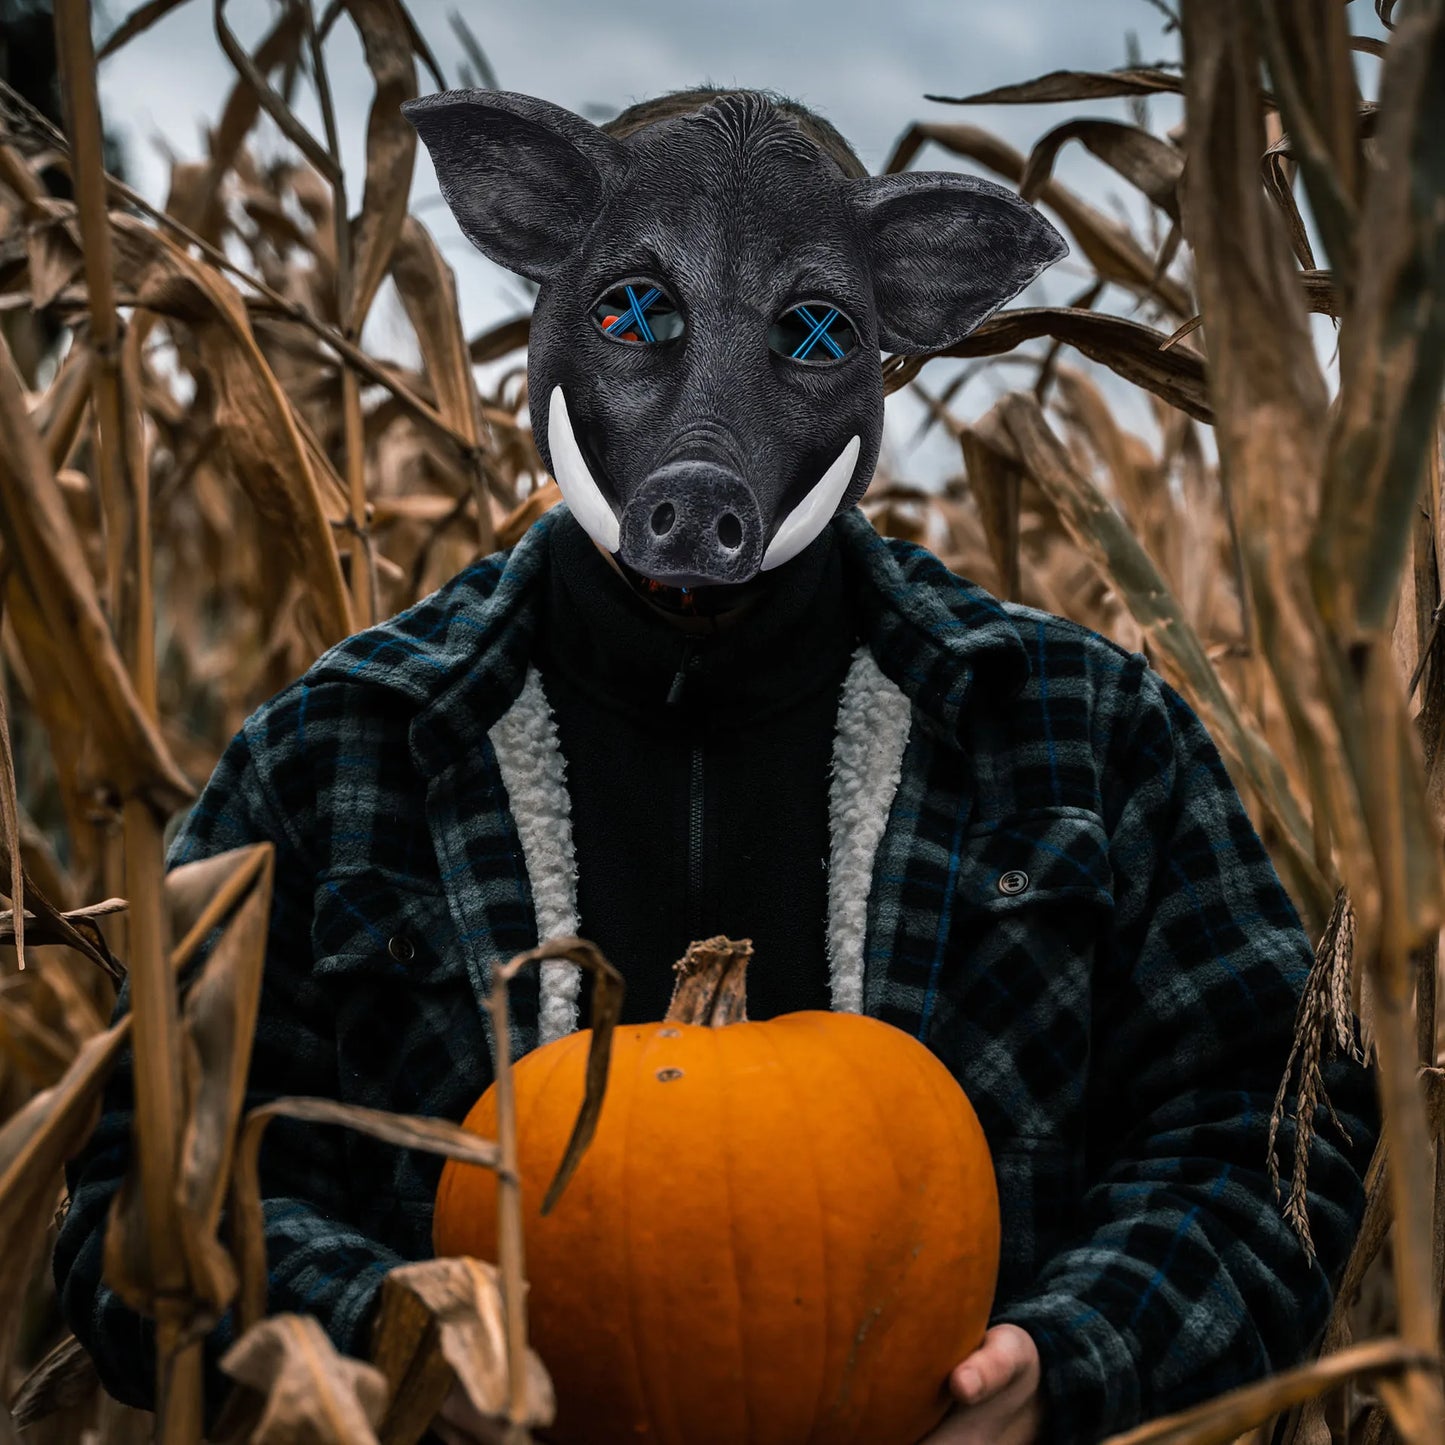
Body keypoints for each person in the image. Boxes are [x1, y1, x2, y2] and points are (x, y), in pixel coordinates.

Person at [56, 87, 1375, 1445]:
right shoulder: (340, 755)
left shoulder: (1078, 736)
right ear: (542, 278)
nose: (709, 411)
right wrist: (396, 1350)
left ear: (900, 329)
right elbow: (145, 1199)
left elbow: (1274, 1134)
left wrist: (1061, 1361)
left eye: (808, 336)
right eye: (635, 315)